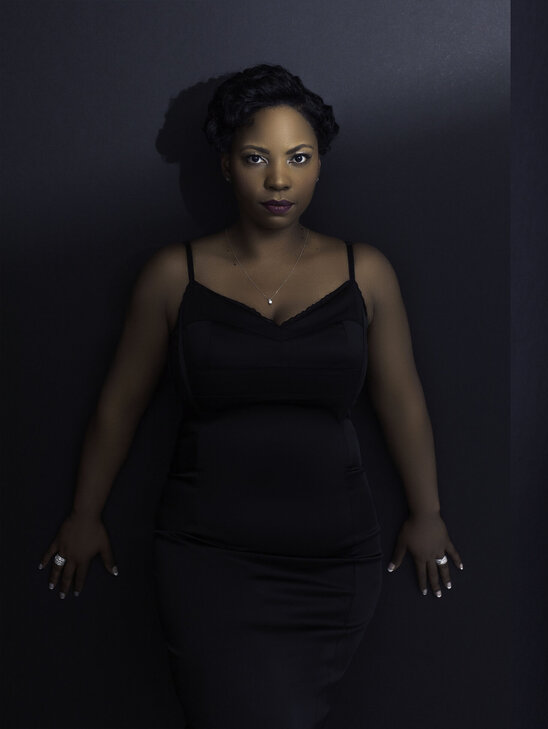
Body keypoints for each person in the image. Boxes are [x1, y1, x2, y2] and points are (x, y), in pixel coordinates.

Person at [38, 64, 463, 727]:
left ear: (320, 164)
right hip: (207, 562)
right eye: (255, 157)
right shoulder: (171, 275)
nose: (278, 179)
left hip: (333, 562)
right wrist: (84, 513)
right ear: (225, 164)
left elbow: (402, 399)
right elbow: (118, 406)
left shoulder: (367, 271)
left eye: (299, 157)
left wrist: (427, 511)